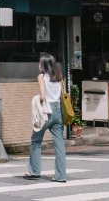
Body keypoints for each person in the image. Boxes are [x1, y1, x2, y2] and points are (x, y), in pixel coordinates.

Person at [25, 52, 67, 182]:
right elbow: (63, 94)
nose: (38, 65)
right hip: (57, 110)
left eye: (39, 62)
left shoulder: (41, 77)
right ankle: (61, 176)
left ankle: (35, 171)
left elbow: (43, 96)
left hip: (46, 110)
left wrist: (38, 100)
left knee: (36, 140)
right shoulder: (59, 76)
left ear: (43, 64)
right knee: (59, 144)